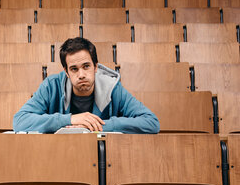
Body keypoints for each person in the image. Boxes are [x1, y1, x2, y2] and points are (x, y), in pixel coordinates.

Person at [13, 37, 160, 134]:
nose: (81, 74)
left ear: (96, 67)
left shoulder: (113, 88)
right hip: (59, 153)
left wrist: (97, 126)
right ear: (66, 71)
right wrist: (69, 120)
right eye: (74, 69)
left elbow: (151, 122)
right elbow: (19, 121)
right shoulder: (51, 86)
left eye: (86, 66)